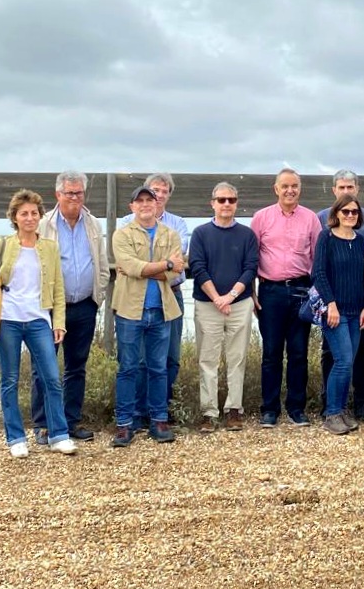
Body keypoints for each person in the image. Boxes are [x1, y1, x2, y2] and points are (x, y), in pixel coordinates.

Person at [0, 189, 75, 458]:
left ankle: (59, 434)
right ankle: (15, 438)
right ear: (14, 217)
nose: (29, 218)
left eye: (34, 213)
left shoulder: (49, 247)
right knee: (10, 379)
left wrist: (58, 322)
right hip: (7, 321)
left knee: (51, 377)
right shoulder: (1, 244)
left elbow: (58, 288)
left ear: (40, 216)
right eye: (23, 213)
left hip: (39, 319)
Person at [32, 171, 108, 443]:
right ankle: (42, 424)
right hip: (51, 308)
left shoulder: (93, 224)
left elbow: (101, 262)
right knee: (43, 365)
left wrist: (96, 296)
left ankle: (70, 421)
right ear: (58, 195)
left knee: (76, 367)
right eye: (69, 192)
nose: (74, 197)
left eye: (78, 192)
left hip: (84, 305)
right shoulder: (44, 225)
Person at [111, 184, 186, 447]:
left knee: (158, 367)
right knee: (128, 368)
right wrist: (164, 264)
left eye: (149, 200)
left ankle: (159, 420)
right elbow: (130, 265)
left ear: (157, 205)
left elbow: (175, 273)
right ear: (132, 207)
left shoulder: (171, 234)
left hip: (162, 310)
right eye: (139, 201)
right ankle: (124, 424)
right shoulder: (121, 235)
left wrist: (146, 270)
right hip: (130, 311)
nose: (145, 205)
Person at [250, 168, 322, 428]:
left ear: (299, 189)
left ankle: (296, 408)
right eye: (285, 186)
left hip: (302, 290)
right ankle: (269, 409)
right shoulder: (261, 218)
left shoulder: (311, 219)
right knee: (270, 353)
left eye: (294, 186)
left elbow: (317, 257)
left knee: (299, 352)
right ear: (276, 188)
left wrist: (316, 294)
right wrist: (251, 291)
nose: (290, 190)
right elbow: (251, 257)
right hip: (270, 291)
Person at [188, 181, 259, 433]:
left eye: (231, 200)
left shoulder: (247, 235)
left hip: (239, 304)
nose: (226, 204)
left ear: (237, 204)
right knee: (207, 359)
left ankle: (233, 410)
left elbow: (250, 268)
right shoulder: (199, 233)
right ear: (213, 203)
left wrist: (229, 296)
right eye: (221, 200)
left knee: (237, 358)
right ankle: (208, 412)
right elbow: (197, 267)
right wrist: (217, 297)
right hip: (208, 305)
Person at [317, 169, 364, 415]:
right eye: (345, 211)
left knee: (349, 362)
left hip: (356, 311)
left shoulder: (361, 242)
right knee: (340, 361)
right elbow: (318, 273)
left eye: (354, 212)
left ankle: (342, 410)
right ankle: (331, 411)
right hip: (334, 312)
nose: (350, 215)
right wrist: (330, 304)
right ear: (336, 212)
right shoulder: (325, 237)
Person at [316, 168, 364, 236]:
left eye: (350, 187)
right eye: (341, 187)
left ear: (357, 189)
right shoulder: (321, 217)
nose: (346, 192)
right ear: (334, 190)